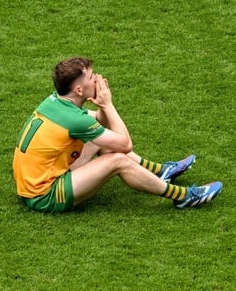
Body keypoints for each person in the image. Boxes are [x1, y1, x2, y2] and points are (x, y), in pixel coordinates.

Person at [12, 57, 222, 213]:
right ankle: (182, 197)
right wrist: (108, 104)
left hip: (37, 180)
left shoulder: (55, 102)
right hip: (44, 195)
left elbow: (98, 122)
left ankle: (159, 172)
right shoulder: (75, 119)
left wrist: (101, 105)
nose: (97, 79)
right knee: (118, 160)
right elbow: (125, 144)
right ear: (78, 89)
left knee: (100, 140)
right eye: (91, 77)